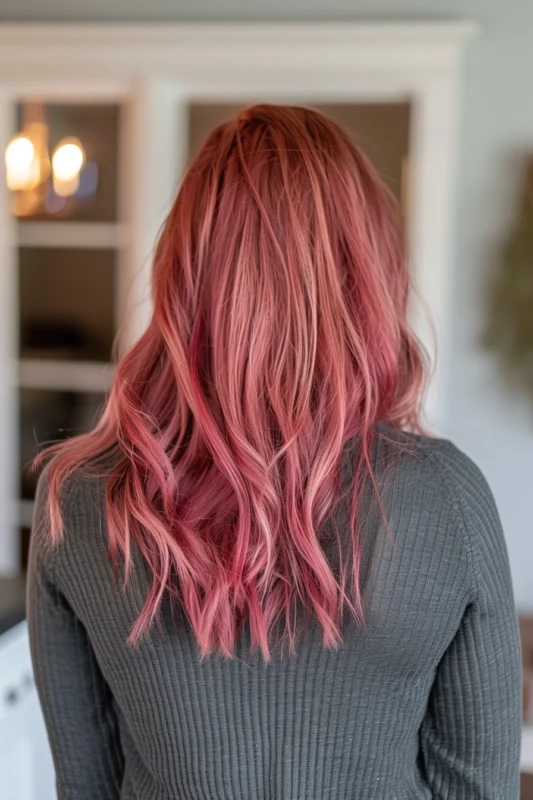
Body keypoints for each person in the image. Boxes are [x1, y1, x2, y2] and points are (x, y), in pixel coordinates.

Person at [27, 104, 522, 800]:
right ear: (367, 276)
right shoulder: (445, 497)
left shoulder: (74, 498)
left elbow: (87, 786)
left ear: (184, 271)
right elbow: (480, 790)